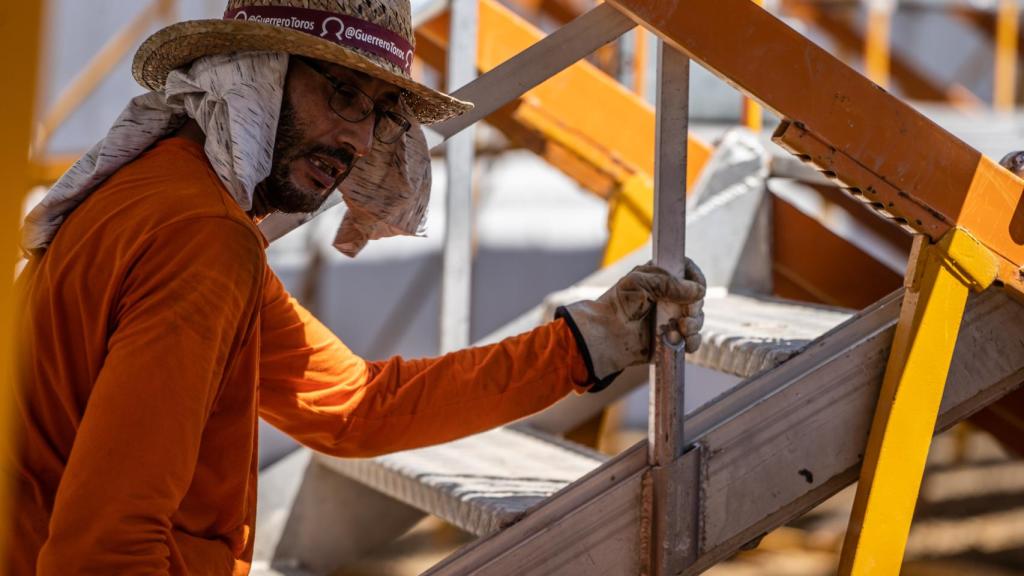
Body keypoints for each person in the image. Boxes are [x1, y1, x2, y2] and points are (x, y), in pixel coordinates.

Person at [9, 1, 706, 574]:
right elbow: (104, 552)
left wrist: (586, 344)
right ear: (259, 72)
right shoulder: (202, 239)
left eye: (380, 111)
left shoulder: (167, 197)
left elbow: (356, 406)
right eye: (342, 94)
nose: (363, 142)